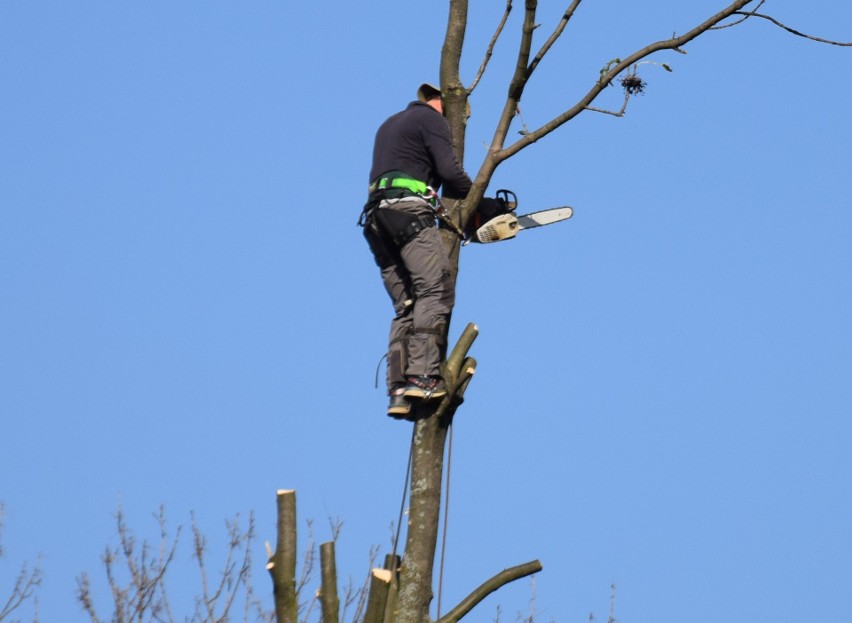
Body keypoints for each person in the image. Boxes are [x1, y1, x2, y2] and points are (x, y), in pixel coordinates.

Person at [360, 83, 473, 418]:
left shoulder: (391, 123)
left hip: (377, 219)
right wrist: (475, 195)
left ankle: (398, 390)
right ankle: (423, 377)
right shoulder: (432, 121)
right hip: (409, 214)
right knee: (435, 290)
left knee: (407, 304)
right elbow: (451, 173)